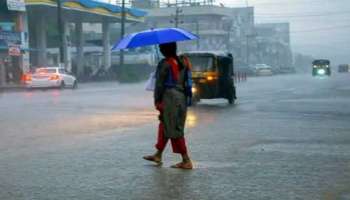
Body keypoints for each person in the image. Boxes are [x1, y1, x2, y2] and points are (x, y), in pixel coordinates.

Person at [143, 42, 193, 169]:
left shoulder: (164, 64)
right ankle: (158, 154)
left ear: (165, 50)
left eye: (161, 48)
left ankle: (186, 160)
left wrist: (157, 101)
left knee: (174, 128)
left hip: (169, 99)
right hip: (181, 98)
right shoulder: (184, 61)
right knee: (166, 125)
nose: (160, 50)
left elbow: (159, 85)